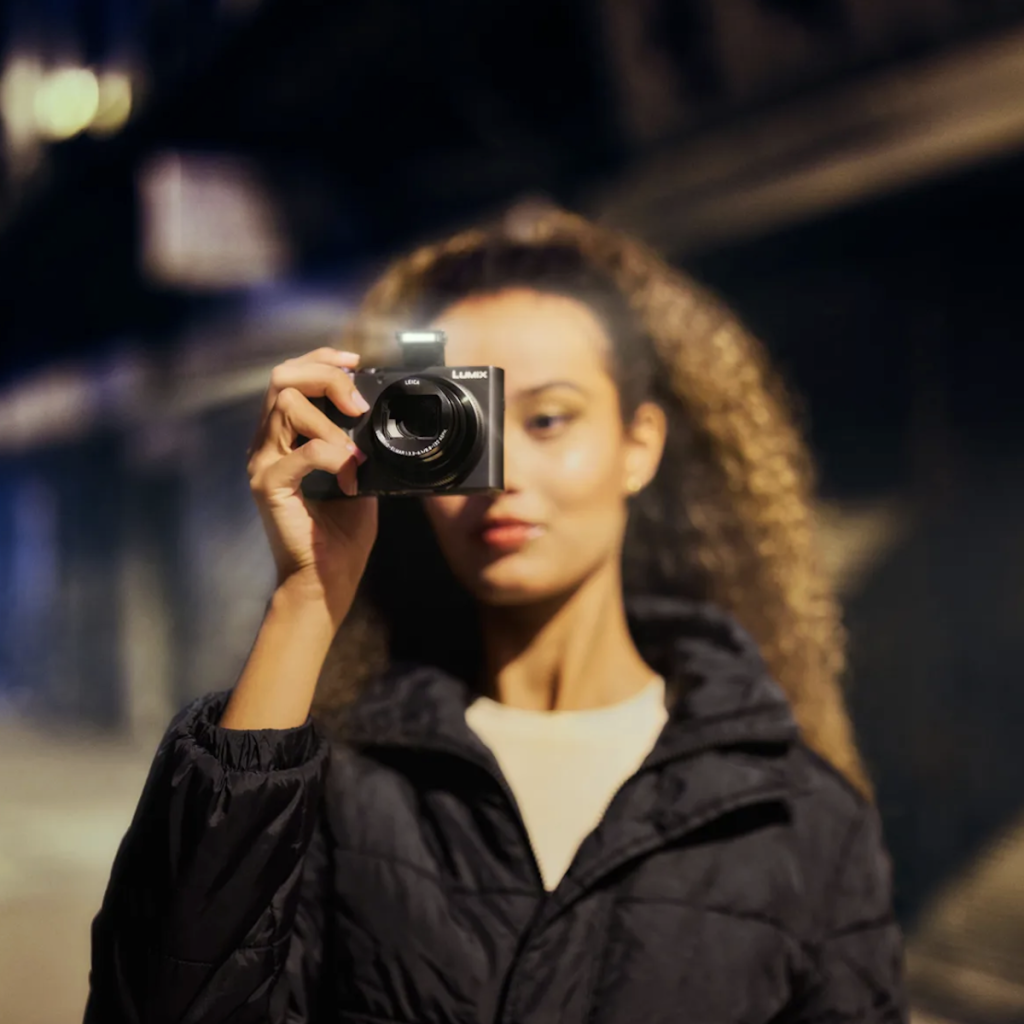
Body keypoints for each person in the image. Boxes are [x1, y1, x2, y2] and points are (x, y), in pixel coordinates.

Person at [85, 204, 907, 1023]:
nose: (501, 473)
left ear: (640, 444)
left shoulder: (796, 811)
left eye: (549, 419)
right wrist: (304, 598)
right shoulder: (339, 779)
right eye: (454, 421)